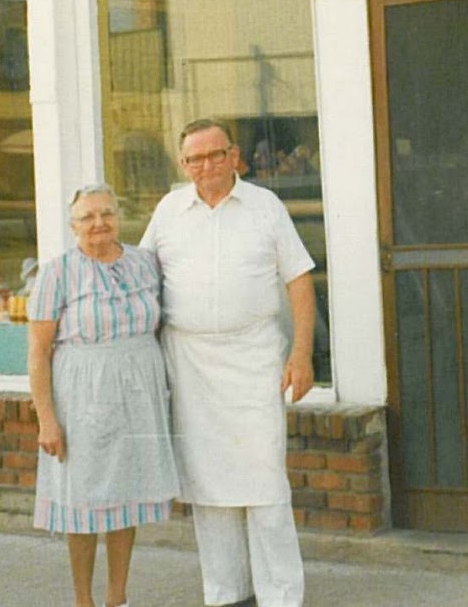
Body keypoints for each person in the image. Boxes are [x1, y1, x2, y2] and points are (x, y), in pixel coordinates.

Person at [141, 119, 316, 607]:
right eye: (194, 159)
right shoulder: (169, 210)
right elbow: (139, 274)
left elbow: (299, 282)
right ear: (183, 164)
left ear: (234, 156)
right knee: (208, 487)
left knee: (264, 482)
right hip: (190, 362)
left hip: (255, 356)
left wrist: (300, 354)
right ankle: (226, 595)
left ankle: (281, 597)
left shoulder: (266, 207)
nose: (206, 166)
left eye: (215, 155)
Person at [29, 183, 180, 607]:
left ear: (119, 217)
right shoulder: (56, 272)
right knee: (84, 498)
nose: (99, 224)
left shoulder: (144, 264)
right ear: (73, 226)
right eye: (88, 217)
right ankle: (83, 600)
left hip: (138, 392)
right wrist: (47, 418)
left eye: (107, 214)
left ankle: (118, 598)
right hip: (82, 394)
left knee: (125, 496)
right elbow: (38, 353)